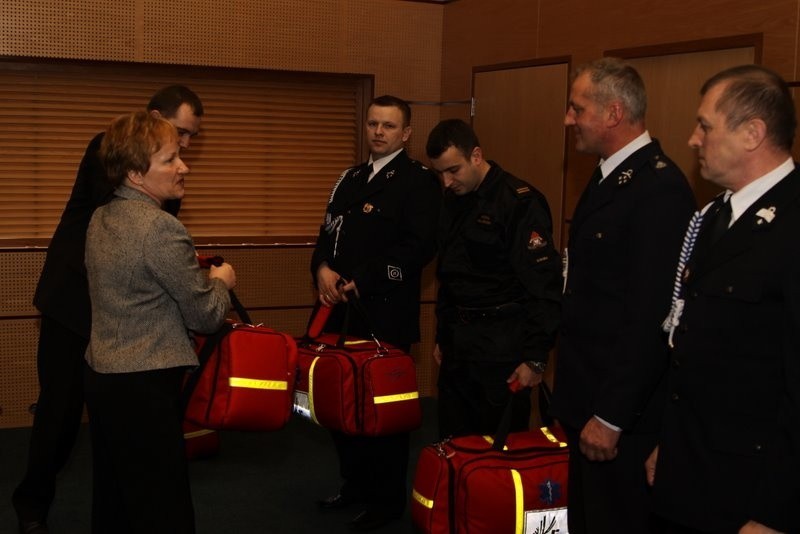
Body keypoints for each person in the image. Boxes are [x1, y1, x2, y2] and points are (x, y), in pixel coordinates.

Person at [12, 85, 204, 534]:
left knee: (115, 428)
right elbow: (127, 229)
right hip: (74, 301)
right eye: (179, 133)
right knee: (60, 412)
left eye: (192, 137)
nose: (187, 149)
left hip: (119, 308)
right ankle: (30, 507)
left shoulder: (163, 167)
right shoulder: (114, 150)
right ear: (153, 118)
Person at [646, 65, 800, 534]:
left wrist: (776, 511)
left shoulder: (793, 224)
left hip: (749, 492)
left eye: (705, 126)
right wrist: (669, 445)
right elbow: (693, 349)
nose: (693, 139)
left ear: (752, 133)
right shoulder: (717, 215)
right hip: (689, 471)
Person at [548, 57, 695, 534]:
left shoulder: (659, 189)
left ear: (613, 114)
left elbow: (650, 315)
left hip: (618, 412)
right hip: (584, 393)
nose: (569, 119)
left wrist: (611, 416)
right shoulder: (610, 173)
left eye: (577, 108)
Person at [83, 111, 234, 533]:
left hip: (103, 376)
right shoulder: (161, 229)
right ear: (135, 173)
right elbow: (205, 315)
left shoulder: (100, 218)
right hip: (145, 385)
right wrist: (221, 282)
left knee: (115, 500)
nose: (183, 166)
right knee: (162, 506)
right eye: (169, 160)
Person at [310, 95, 441, 531]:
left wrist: (362, 279)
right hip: (338, 314)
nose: (378, 132)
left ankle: (385, 502)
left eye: (388, 126)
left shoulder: (418, 181)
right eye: (372, 124)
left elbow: (419, 248)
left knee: (383, 415)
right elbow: (327, 233)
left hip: (382, 312)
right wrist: (323, 269)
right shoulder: (349, 178)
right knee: (340, 408)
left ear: (405, 134)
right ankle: (356, 485)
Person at [425, 119, 561, 439]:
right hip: (458, 349)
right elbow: (449, 276)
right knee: (455, 446)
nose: (446, 181)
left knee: (497, 454)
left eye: (453, 170)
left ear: (476, 155)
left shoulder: (519, 202)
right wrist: (443, 336)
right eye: (439, 173)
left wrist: (536, 358)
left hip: (502, 351)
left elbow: (544, 286)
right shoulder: (450, 201)